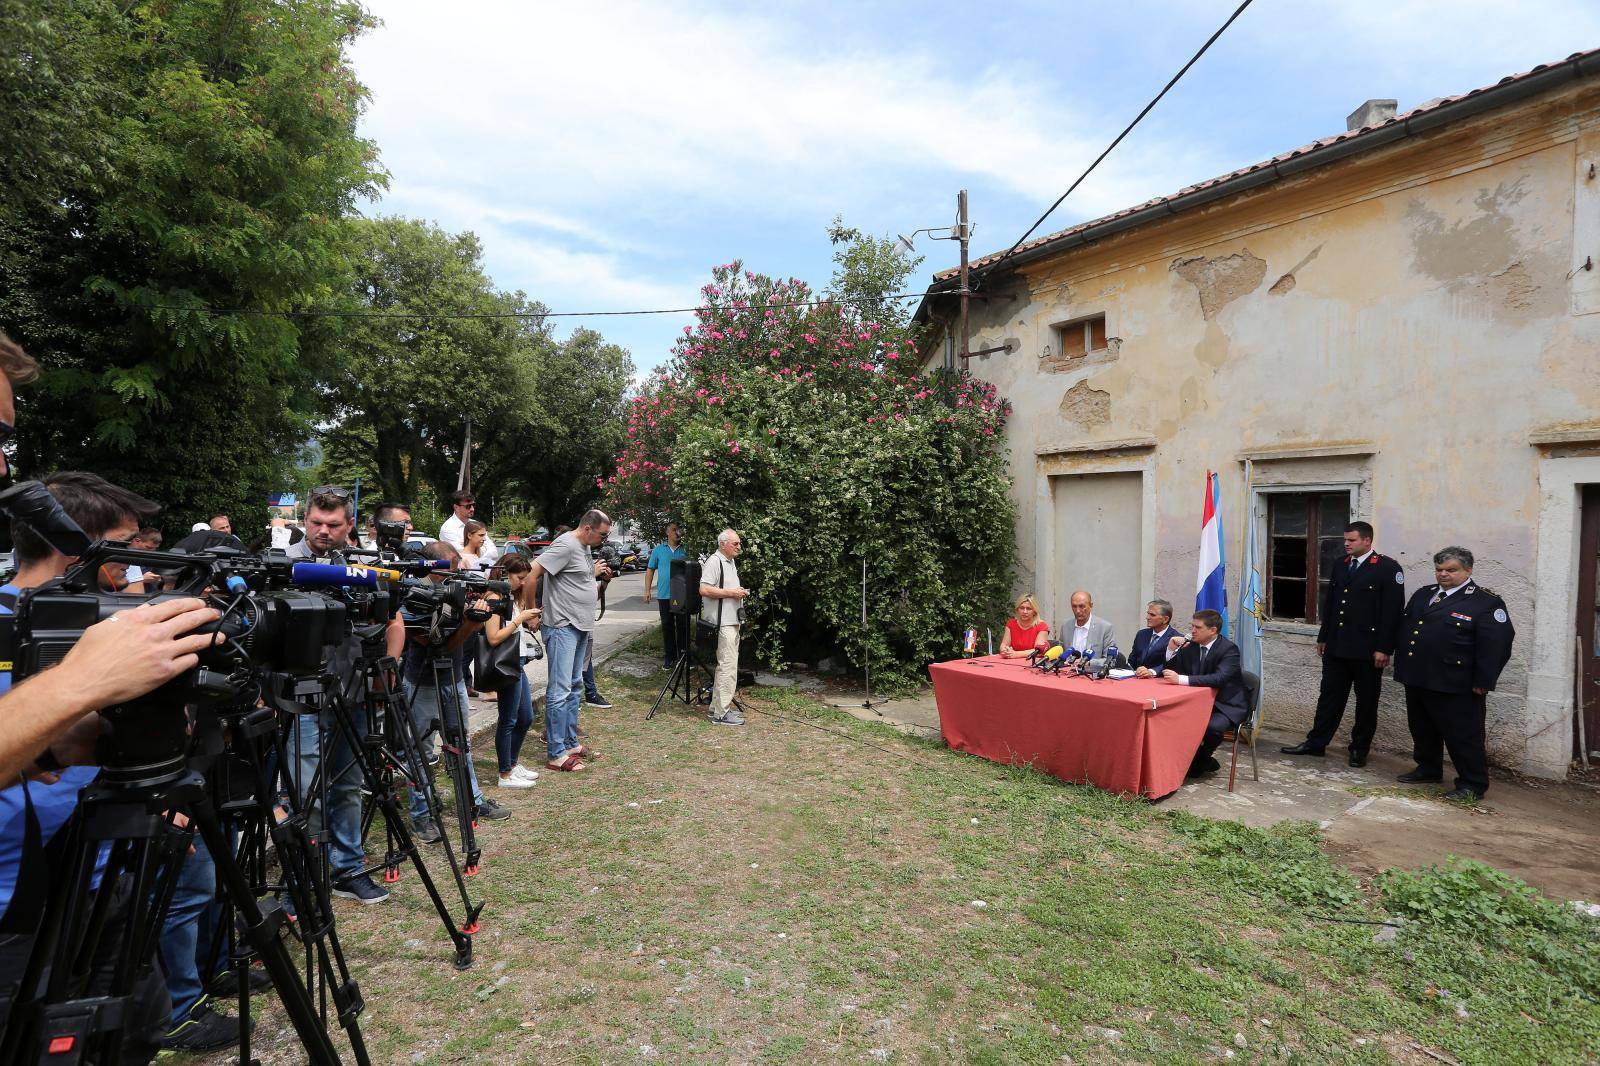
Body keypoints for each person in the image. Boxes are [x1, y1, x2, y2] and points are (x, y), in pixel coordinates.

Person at [0, 470, 214, 1060]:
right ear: (71, 543)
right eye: (123, 549)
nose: (135, 566)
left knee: (134, 1029)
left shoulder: (120, 627)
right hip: (15, 905)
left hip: (111, 868)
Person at [286, 486, 409, 904]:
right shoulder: (283, 565)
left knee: (347, 785)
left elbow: (393, 618)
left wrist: (387, 671)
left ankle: (347, 869)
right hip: (300, 700)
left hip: (352, 691)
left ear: (349, 525)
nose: (323, 531)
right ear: (305, 520)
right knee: (304, 793)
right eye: (316, 523)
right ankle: (303, 877)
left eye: (333, 524)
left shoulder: (360, 566)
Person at [399, 540, 510, 834]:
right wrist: (471, 625)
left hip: (454, 680)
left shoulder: (453, 589)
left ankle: (472, 801)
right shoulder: (415, 596)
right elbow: (442, 646)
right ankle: (422, 815)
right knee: (420, 750)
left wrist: (478, 606)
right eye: (449, 571)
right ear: (432, 568)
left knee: (461, 744)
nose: (455, 577)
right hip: (422, 683)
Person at [1391, 547, 1514, 802]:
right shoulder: (1425, 594)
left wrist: (1484, 681)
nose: (1443, 574)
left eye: (1451, 570)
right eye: (1439, 570)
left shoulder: (1485, 602)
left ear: (1468, 570)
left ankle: (1472, 783)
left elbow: (1497, 645)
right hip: (1418, 676)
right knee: (1422, 728)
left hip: (1456, 682)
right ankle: (1428, 768)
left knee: (1463, 735)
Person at [1281, 522, 1405, 767]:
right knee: (1329, 698)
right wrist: (1323, 636)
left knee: (1366, 703)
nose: (1346, 544)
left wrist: (1384, 648)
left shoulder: (1387, 568)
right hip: (1337, 647)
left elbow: (1393, 612)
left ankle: (1359, 749)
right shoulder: (1342, 564)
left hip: (1368, 651)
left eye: (1352, 540)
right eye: (1345, 539)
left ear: (1367, 541)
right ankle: (1316, 743)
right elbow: (1332, 605)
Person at [527, 510, 612, 770]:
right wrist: (530, 611)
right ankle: (555, 753)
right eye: (603, 535)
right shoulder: (565, 544)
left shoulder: (584, 547)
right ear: (588, 528)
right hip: (563, 626)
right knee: (559, 691)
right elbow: (531, 574)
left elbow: (579, 581)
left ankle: (569, 742)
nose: (604, 540)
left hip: (580, 626)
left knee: (575, 687)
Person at [1152, 609, 1248, 779]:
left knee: (1212, 727)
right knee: (1166, 718)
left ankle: (1201, 760)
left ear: (1213, 630)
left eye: (1198, 627)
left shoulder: (1229, 649)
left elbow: (1220, 678)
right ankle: (1173, 760)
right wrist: (1170, 650)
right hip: (1194, 703)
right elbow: (1172, 671)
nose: (1192, 631)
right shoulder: (1191, 646)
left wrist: (1182, 680)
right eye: (1192, 626)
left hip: (1224, 705)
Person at [483, 554, 542, 788]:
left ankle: (513, 763)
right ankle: (504, 773)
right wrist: (520, 620)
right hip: (504, 665)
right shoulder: (494, 597)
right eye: (519, 578)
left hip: (517, 662)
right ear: (505, 573)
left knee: (526, 717)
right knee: (508, 719)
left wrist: (528, 618)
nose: (523, 582)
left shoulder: (512, 596)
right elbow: (493, 637)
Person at [699, 529, 749, 726]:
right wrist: (731, 593)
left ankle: (717, 710)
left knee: (726, 667)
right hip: (723, 623)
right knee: (727, 668)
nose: (739, 547)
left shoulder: (729, 561)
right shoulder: (715, 561)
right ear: (723, 544)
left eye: (739, 543)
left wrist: (737, 593)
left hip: (731, 621)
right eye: (735, 543)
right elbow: (703, 589)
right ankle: (721, 714)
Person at [645, 521, 688, 670]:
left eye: (679, 530)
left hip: (682, 595)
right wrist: (647, 590)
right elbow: (650, 570)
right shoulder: (658, 550)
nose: (678, 533)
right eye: (675, 530)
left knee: (683, 626)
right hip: (664, 595)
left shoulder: (686, 549)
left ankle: (684, 656)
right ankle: (669, 657)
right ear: (667, 532)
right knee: (667, 627)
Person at [440, 490, 499, 565]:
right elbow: (463, 556)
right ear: (456, 507)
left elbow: (494, 553)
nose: (472, 509)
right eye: (468, 506)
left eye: (473, 505)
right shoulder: (448, 528)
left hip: (480, 573)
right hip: (458, 574)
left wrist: (472, 549)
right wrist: (483, 549)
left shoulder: (476, 525)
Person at [1128, 600, 1180, 670]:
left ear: (1165, 619)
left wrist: (1152, 672)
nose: (1147, 617)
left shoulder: (1175, 639)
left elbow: (1172, 664)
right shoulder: (1141, 634)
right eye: (1148, 614)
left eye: (1152, 615)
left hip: (1159, 679)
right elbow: (1132, 661)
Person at [999, 594, 1050, 658]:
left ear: (1034, 611)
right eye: (1022, 608)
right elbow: (1004, 644)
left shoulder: (1042, 626)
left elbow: (1038, 651)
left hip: (1032, 662)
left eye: (1028, 609)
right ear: (1017, 609)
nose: (1024, 611)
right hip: (1011, 661)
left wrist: (1016, 654)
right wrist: (1005, 651)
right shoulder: (1011, 624)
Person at [1065, 590, 1116, 655]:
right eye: (1074, 606)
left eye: (1081, 606)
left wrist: (1089, 663)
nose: (1077, 611)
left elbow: (1109, 660)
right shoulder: (1065, 626)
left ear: (1091, 606)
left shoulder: (1105, 628)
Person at [122, 526, 163, 593]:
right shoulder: (122, 555)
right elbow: (114, 582)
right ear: (137, 541)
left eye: (155, 548)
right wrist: (141, 579)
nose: (152, 551)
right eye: (148, 547)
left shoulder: (147, 556)